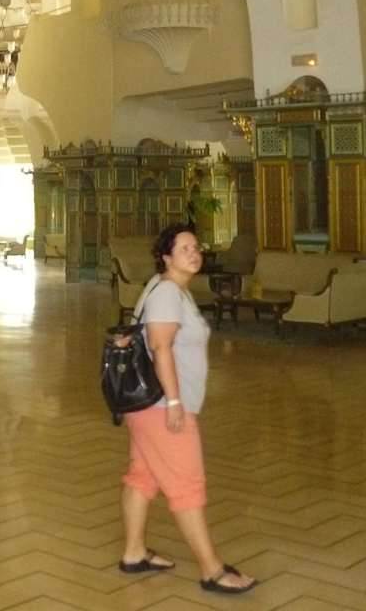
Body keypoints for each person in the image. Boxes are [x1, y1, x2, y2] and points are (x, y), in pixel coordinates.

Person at [119, 223, 257, 595]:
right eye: (184, 249)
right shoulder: (167, 293)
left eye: (196, 248)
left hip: (148, 406)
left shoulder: (170, 289)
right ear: (166, 257)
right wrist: (175, 402)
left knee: (142, 476)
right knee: (187, 486)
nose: (194, 254)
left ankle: (134, 553)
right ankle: (212, 571)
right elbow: (160, 347)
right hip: (162, 407)